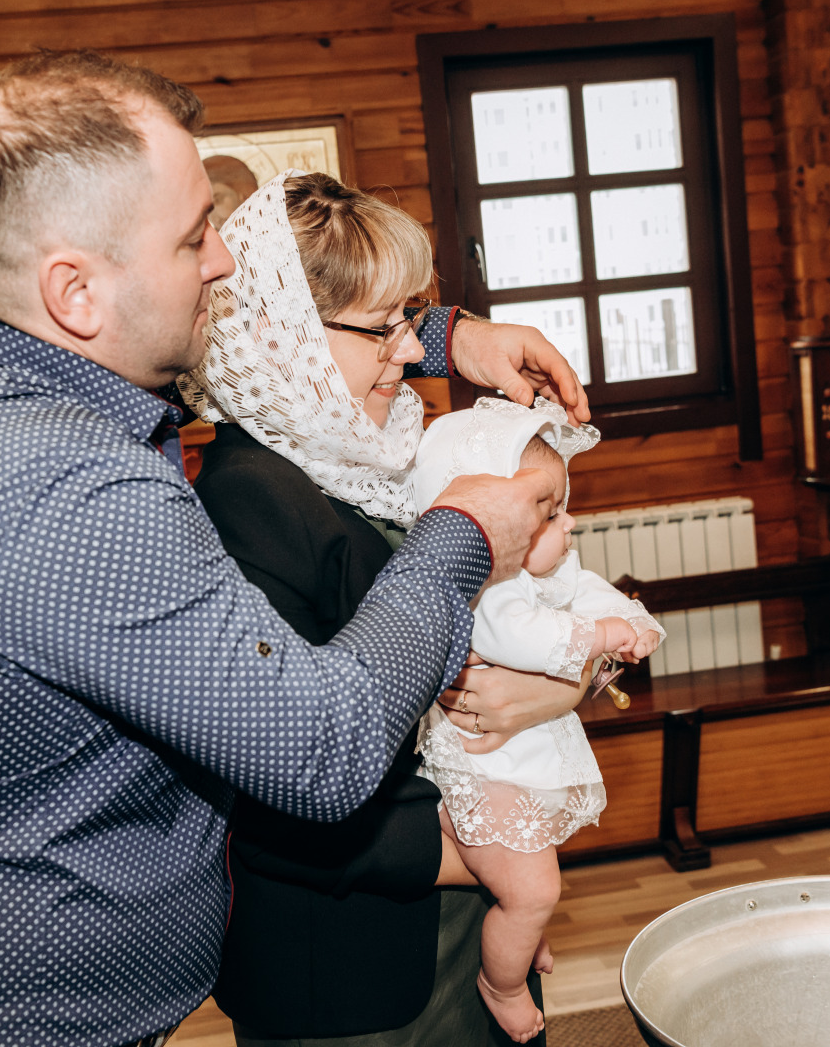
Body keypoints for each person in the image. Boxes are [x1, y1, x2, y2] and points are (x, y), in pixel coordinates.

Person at [0, 50, 588, 1047]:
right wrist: (459, 539)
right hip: (21, 1026)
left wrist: (449, 337)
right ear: (76, 291)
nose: (225, 263)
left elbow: (271, 348)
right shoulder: (65, 498)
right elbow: (322, 752)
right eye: (195, 237)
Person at [183, 171, 595, 1046]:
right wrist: (498, 858)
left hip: (450, 899)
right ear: (278, 333)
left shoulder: (371, 447)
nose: (409, 353)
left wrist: (563, 686)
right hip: (351, 963)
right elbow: (275, 802)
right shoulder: (246, 504)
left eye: (411, 320)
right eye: (382, 329)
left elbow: (497, 620)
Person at [410, 399, 663, 1041]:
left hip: (518, 765)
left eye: (564, 504)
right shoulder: (486, 585)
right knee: (532, 890)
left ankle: (519, 939)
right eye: (549, 513)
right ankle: (501, 982)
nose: (569, 522)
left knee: (529, 872)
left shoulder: (543, 567)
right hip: (484, 771)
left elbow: (593, 591)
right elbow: (521, 638)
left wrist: (632, 623)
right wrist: (598, 633)